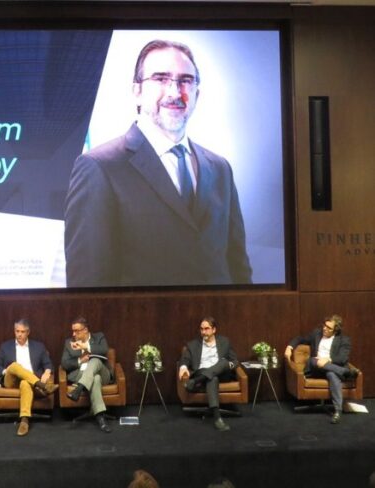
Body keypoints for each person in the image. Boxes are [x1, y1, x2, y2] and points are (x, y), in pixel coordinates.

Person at [64, 39, 252, 288]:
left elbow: (238, 268)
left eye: (185, 80)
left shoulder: (220, 168)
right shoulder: (99, 168)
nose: (175, 92)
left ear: (197, 93)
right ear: (137, 91)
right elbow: (87, 285)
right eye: (161, 78)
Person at [284, 314, 360, 424]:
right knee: (315, 361)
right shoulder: (317, 334)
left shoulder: (344, 340)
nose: (325, 328)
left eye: (329, 328)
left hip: (330, 368)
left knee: (332, 375)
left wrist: (328, 359)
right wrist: (289, 347)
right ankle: (346, 372)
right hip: (314, 369)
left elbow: (342, 359)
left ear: (336, 330)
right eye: (324, 325)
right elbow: (300, 338)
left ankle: (337, 411)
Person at [0, 318, 58, 436]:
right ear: (14, 331)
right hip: (11, 381)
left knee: (25, 383)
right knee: (15, 366)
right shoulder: (5, 346)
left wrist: (47, 372)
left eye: (22, 332)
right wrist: (6, 371)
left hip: (29, 381)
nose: (19, 334)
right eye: (17, 331)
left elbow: (48, 364)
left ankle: (24, 420)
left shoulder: (38, 346)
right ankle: (42, 386)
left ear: (28, 332)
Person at [178, 317, 238, 431]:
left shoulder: (225, 341)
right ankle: (217, 418)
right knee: (212, 378)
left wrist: (228, 365)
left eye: (206, 329)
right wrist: (183, 367)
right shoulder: (193, 345)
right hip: (203, 371)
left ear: (214, 329)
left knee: (223, 362)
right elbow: (185, 359)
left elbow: (234, 360)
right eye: (201, 329)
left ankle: (195, 381)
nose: (203, 332)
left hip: (222, 374)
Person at [61, 317, 114, 433]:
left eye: (76, 331)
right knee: (95, 378)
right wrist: (80, 360)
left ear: (85, 330)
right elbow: (64, 363)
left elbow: (104, 350)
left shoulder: (99, 337)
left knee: (95, 360)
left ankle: (79, 389)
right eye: (73, 331)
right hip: (81, 374)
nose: (73, 334)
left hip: (103, 373)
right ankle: (100, 417)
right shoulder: (69, 342)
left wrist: (85, 347)